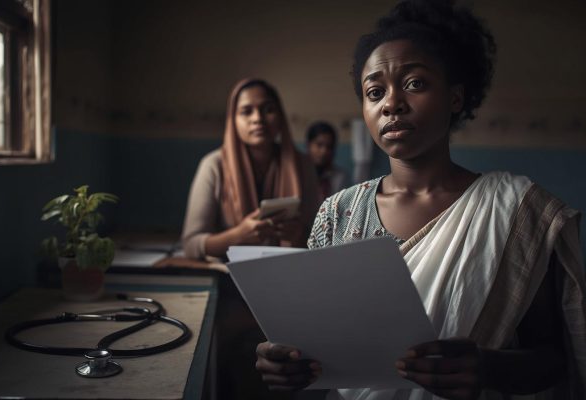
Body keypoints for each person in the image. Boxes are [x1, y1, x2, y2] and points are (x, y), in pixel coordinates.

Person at [255, 1, 586, 399]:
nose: (391, 103)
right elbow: (315, 345)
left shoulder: (516, 212)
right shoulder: (337, 212)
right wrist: (287, 363)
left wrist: (488, 367)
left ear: (456, 97)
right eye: (374, 92)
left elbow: (554, 359)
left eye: (415, 83)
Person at [181, 78, 319, 260]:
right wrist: (236, 237)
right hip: (227, 277)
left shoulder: (303, 165)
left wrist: (299, 234)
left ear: (281, 117)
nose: (258, 119)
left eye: (268, 110)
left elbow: (319, 239)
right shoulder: (213, 165)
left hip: (287, 273)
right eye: (246, 111)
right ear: (233, 120)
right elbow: (190, 245)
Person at [306, 121, 350, 201]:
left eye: (329, 146)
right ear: (309, 145)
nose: (324, 151)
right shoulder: (299, 174)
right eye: (319, 145)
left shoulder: (340, 177)